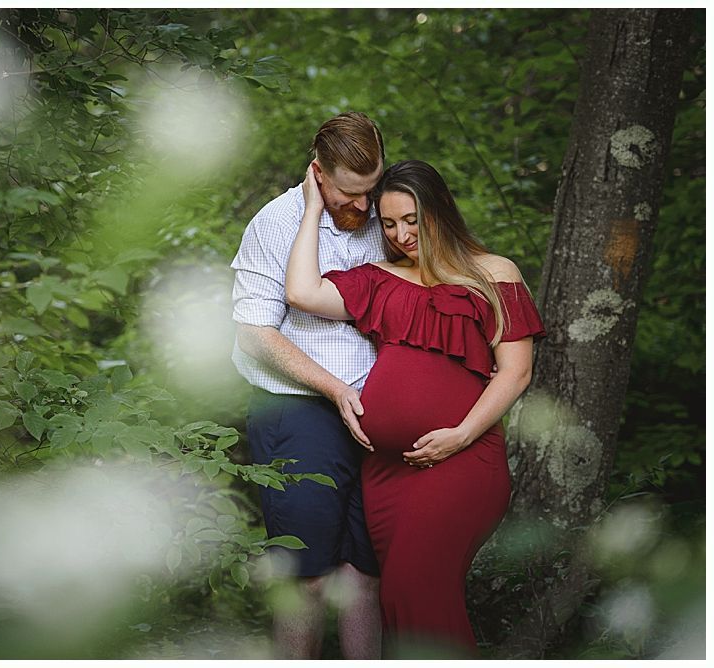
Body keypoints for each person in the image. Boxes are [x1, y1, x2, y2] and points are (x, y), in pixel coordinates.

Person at [285, 159, 546, 657]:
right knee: (401, 604)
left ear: (439, 212)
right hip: (386, 475)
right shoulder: (381, 278)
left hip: (461, 462)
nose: (402, 234)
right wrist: (313, 206)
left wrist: (460, 435)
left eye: (412, 220)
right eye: (388, 223)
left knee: (416, 593)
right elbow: (302, 293)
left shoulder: (492, 274)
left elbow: (517, 372)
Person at [230, 112, 386, 659]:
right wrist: (335, 389)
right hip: (297, 414)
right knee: (309, 578)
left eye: (371, 191)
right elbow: (254, 334)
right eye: (349, 193)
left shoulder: (384, 216)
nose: (363, 207)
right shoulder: (274, 224)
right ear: (318, 174)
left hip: (376, 417)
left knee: (364, 575)